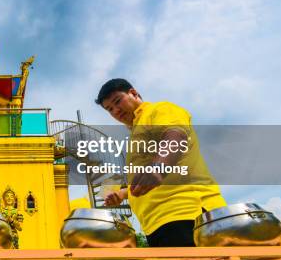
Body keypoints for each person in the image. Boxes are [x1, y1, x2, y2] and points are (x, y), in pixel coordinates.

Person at [96, 78, 226, 248]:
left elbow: (175, 135)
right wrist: (122, 194)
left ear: (133, 93)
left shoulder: (159, 110)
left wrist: (158, 168)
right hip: (156, 225)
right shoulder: (136, 134)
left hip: (187, 214)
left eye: (117, 101)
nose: (116, 111)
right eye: (110, 109)